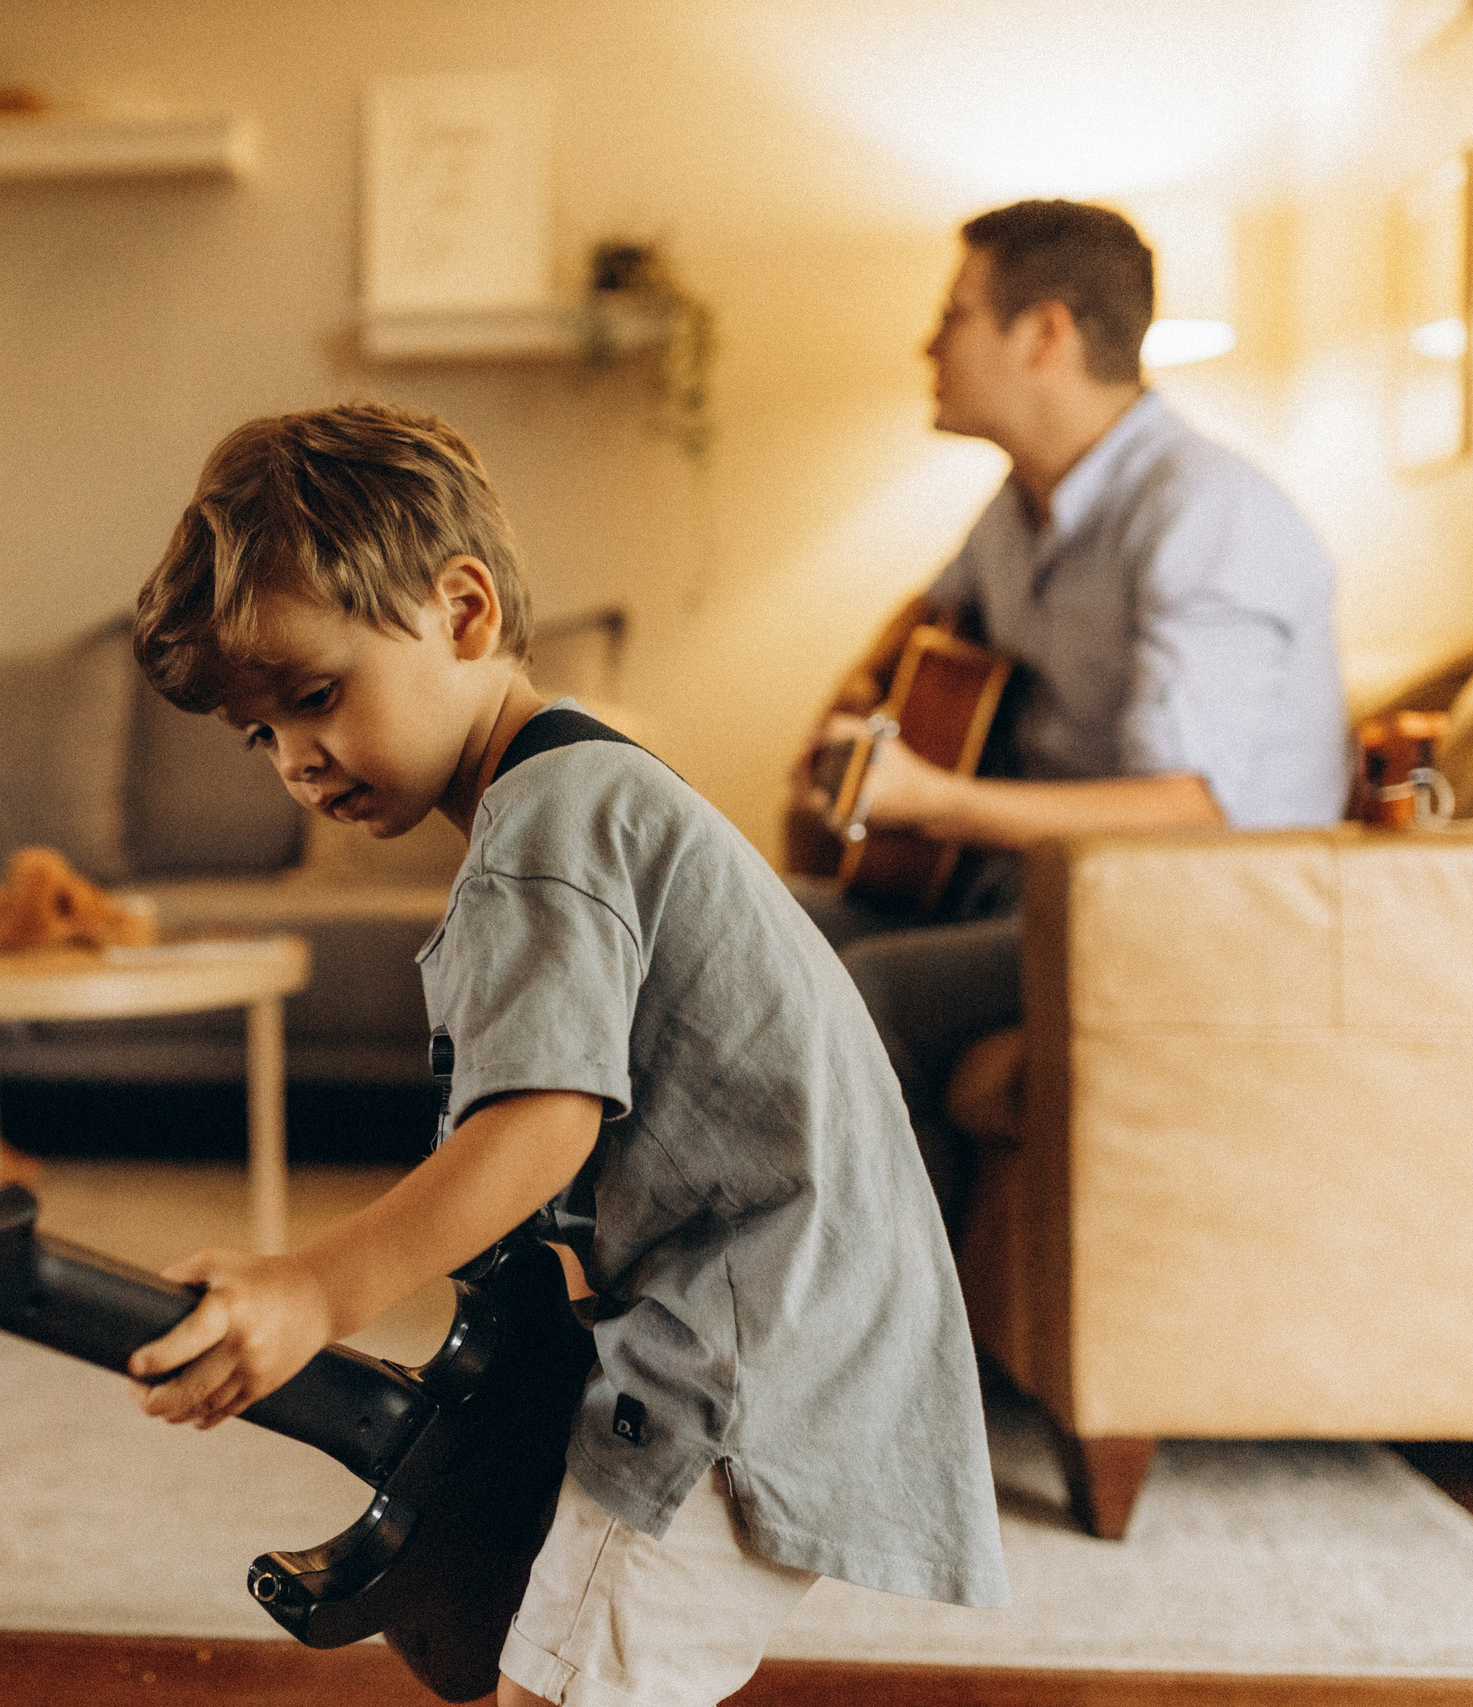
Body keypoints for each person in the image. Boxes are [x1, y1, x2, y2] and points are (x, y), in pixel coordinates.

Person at [124, 404, 1007, 1707]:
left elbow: (543, 1121)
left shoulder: (545, 822)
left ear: (462, 612)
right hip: (776, 1307)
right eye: (262, 734)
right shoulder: (575, 780)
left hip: (748, 1336)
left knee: (571, 1684)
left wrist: (313, 1287)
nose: (297, 761)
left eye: (314, 697)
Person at [788, 199, 1349, 1229]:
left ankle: (904, 1322)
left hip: (1181, 915)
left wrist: (934, 799)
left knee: (871, 988)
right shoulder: (1015, 510)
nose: (926, 345)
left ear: (1044, 333)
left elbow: (1189, 814)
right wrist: (853, 713)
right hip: (1021, 892)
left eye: (952, 315)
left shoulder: (1203, 513)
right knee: (751, 927)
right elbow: (923, 627)